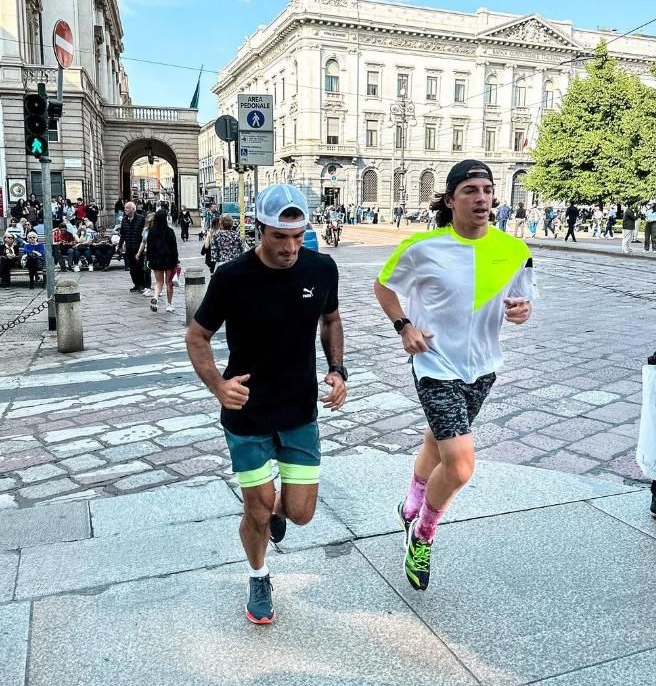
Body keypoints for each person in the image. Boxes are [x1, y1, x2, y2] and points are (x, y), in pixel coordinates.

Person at [186, 184, 347, 624]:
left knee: (301, 513)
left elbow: (330, 319)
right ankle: (258, 575)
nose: (291, 247)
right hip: (248, 414)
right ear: (259, 229)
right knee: (255, 508)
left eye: (298, 236)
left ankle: (277, 510)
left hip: (299, 410)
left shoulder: (321, 269)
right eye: (280, 236)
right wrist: (218, 385)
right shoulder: (231, 278)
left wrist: (337, 370)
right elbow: (196, 336)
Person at [374, 159, 536, 592]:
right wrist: (404, 326)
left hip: (483, 368)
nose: (482, 198)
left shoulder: (514, 250)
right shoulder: (424, 247)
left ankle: (411, 498)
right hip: (435, 364)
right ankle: (423, 532)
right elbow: (384, 286)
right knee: (461, 465)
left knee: (436, 439)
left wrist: (521, 311)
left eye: (487, 189)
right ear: (450, 200)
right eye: (470, 190)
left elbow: (522, 301)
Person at [144, 208, 179, 313]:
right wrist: (176, 260)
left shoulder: (152, 232)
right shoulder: (170, 231)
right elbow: (174, 248)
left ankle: (155, 297)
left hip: (156, 260)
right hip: (169, 260)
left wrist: (149, 260)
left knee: (159, 282)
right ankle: (169, 305)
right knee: (169, 283)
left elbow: (149, 247)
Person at [118, 201, 145, 292]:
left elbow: (144, 234)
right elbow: (122, 234)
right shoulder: (124, 219)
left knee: (139, 267)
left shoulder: (141, 219)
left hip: (138, 248)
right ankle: (136, 284)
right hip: (129, 247)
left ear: (133, 209)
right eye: (125, 207)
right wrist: (120, 245)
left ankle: (141, 284)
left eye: (127, 208)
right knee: (132, 268)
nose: (125, 209)